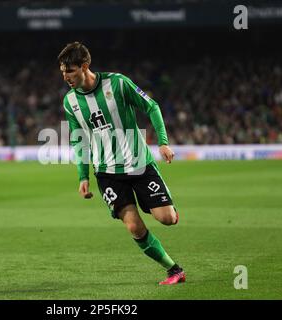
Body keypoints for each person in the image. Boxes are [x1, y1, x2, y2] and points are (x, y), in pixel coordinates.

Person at [58, 42, 185, 285]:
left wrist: (163, 142)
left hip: (138, 163)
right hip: (107, 172)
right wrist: (83, 176)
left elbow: (152, 106)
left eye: (70, 70)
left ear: (85, 66)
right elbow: (78, 139)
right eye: (63, 71)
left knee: (166, 218)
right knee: (134, 227)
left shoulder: (117, 83)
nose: (66, 77)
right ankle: (174, 270)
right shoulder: (70, 102)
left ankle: (168, 208)